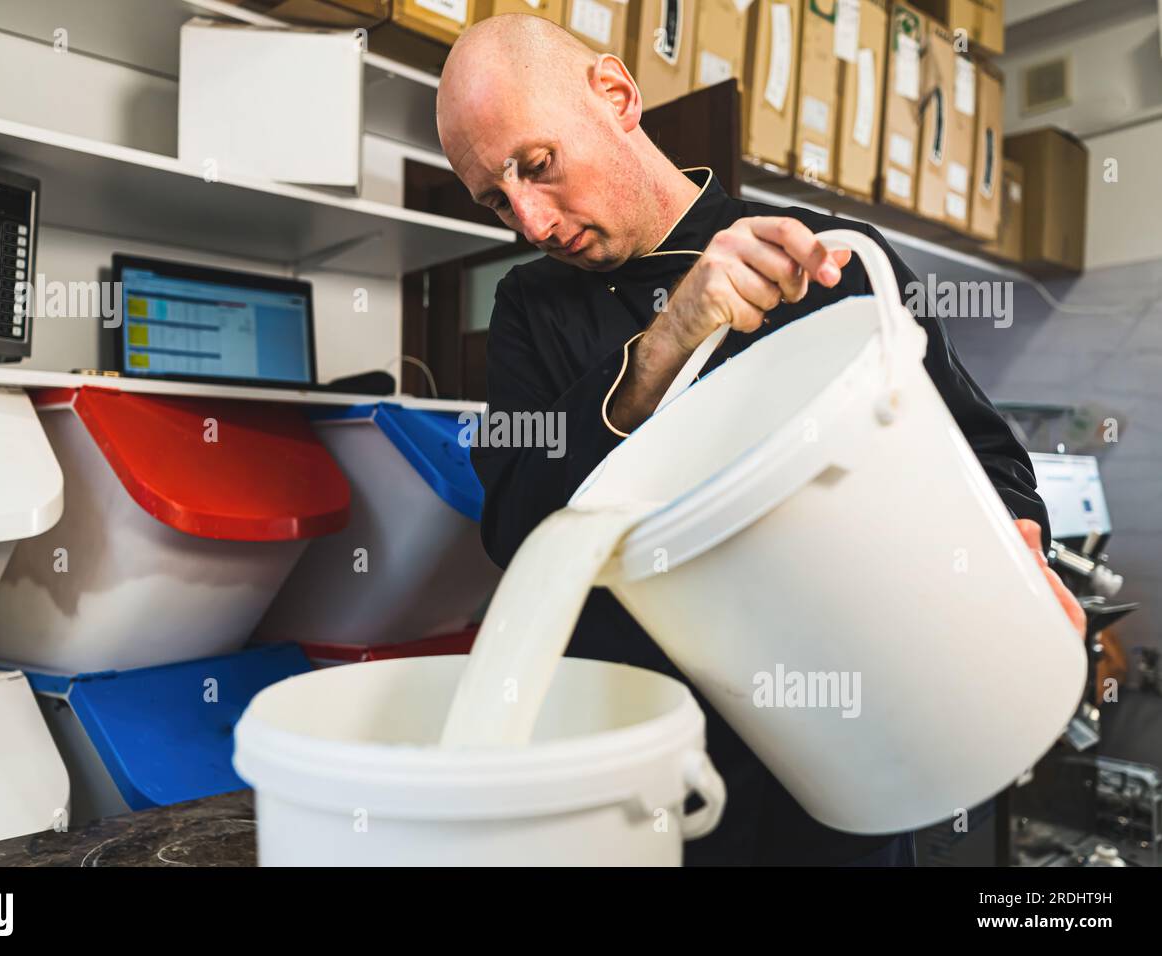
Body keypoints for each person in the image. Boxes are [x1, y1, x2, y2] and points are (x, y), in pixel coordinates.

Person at [435, 13, 1086, 865]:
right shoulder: (531, 305)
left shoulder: (820, 264)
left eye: (537, 165)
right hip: (652, 780)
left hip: (851, 748)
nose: (530, 220)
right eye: (495, 196)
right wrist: (668, 343)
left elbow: (986, 456)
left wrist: (1009, 540)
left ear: (616, 95)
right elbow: (517, 525)